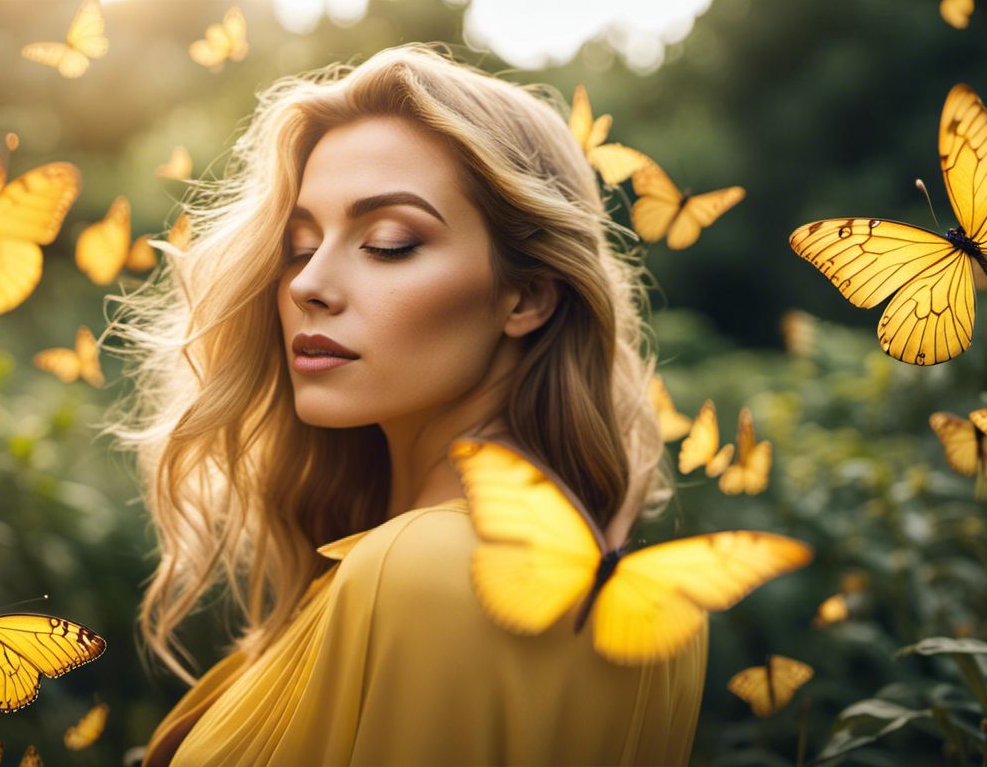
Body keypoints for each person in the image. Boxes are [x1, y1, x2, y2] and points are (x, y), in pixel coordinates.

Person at [114, 42, 706, 766]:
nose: (307, 285)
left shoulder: (423, 570)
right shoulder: (645, 606)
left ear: (527, 295)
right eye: (299, 246)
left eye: (389, 243)